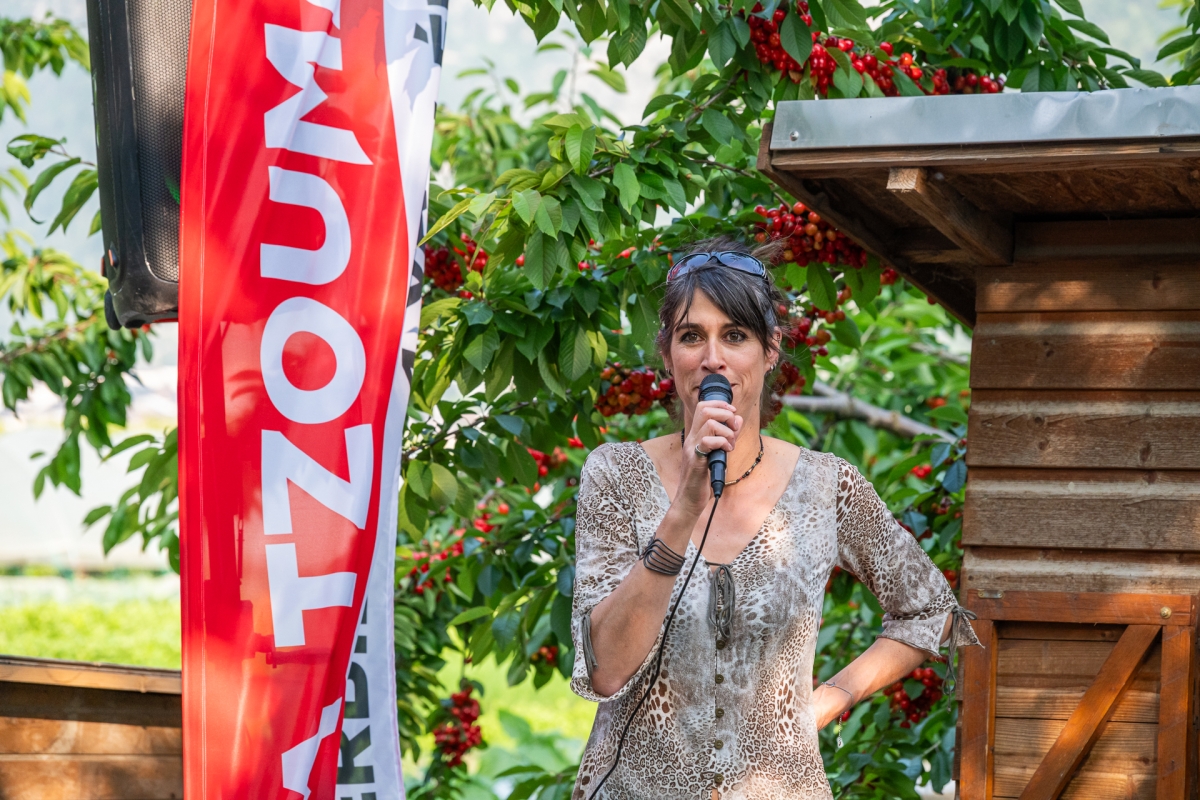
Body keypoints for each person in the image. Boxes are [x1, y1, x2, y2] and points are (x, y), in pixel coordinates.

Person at [568, 239, 979, 799]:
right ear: (667, 355)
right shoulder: (615, 474)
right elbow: (606, 671)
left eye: (735, 335)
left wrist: (825, 702)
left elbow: (929, 610)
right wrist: (684, 507)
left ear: (770, 351)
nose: (713, 358)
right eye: (692, 336)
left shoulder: (826, 485)